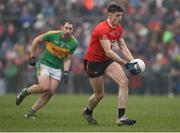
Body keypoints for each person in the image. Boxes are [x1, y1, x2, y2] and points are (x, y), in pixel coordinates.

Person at [82, 4, 140, 126]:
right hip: (94, 63)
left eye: (121, 16)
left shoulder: (118, 27)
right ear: (109, 15)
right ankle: (88, 112)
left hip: (107, 60)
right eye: (118, 15)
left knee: (124, 81)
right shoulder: (102, 28)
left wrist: (133, 62)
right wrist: (125, 64)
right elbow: (108, 51)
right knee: (99, 95)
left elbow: (123, 47)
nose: (120, 18)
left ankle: (121, 117)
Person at [16, 20, 79, 119]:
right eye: (66, 28)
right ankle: (25, 92)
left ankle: (30, 113)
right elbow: (36, 40)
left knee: (50, 92)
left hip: (57, 69)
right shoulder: (52, 35)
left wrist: (66, 71)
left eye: (70, 29)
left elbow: (67, 58)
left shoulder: (74, 43)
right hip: (44, 64)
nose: (67, 30)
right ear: (62, 27)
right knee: (44, 87)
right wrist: (32, 57)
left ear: (73, 30)